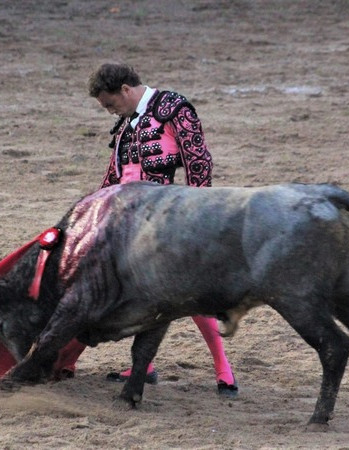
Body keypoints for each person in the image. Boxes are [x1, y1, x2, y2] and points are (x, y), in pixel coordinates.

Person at [56, 63, 238, 397]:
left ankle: (224, 371)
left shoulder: (174, 109)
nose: (111, 111)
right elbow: (114, 177)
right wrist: (88, 212)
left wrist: (195, 215)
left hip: (162, 220)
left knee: (188, 294)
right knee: (104, 287)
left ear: (125, 89)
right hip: (123, 221)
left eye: (111, 104)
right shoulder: (126, 126)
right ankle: (119, 365)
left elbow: (199, 161)